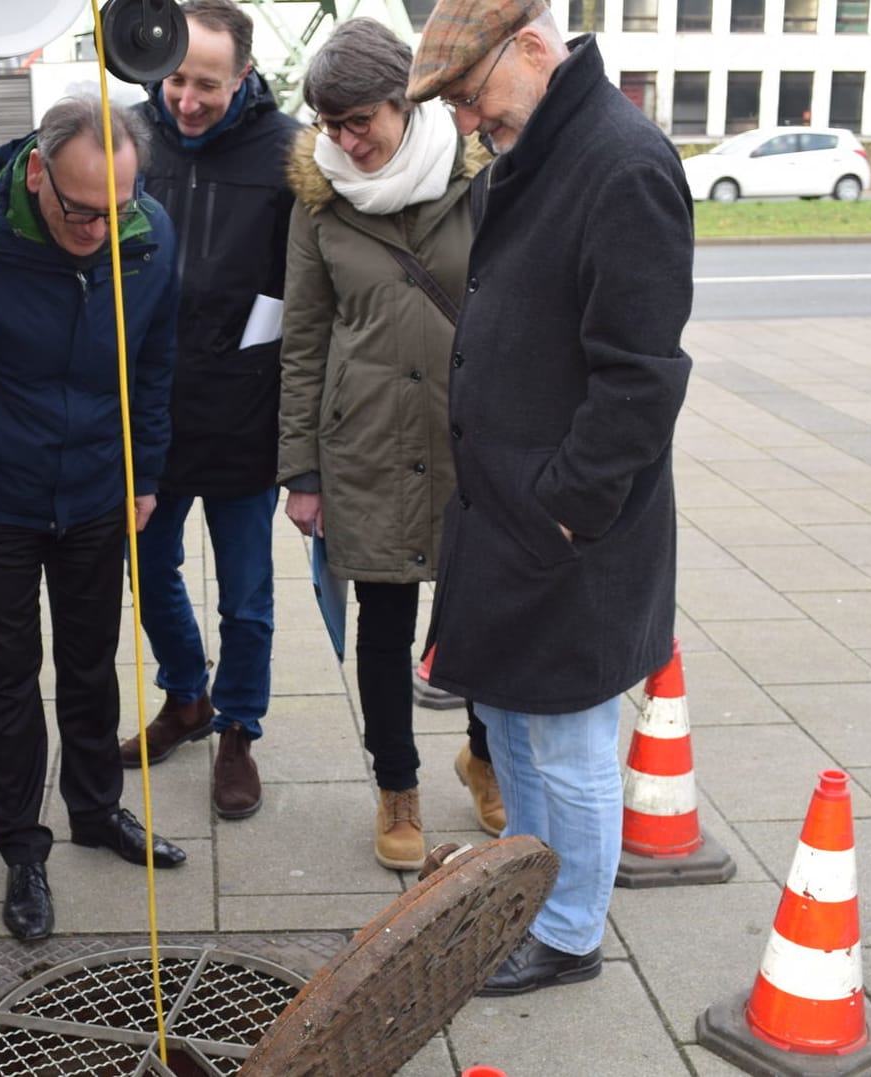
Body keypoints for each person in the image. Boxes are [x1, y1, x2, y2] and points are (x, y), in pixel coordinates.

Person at [409, 0, 693, 994]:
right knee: (511, 719)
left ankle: (567, 933)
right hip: (508, 510)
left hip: (566, 524)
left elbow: (640, 378)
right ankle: (519, 894)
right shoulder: (543, 153)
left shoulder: (620, 162)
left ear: (534, 49)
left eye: (475, 98)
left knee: (567, 741)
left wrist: (565, 506)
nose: (471, 123)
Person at [0, 96, 188, 941]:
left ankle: (96, 809)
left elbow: (155, 366)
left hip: (98, 486)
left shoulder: (149, 232)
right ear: (35, 171)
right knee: (8, 680)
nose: (96, 228)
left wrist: (144, 472)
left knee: (92, 664)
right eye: (79, 210)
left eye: (113, 209)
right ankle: (22, 846)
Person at [276, 18, 496, 871]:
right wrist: (300, 467)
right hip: (361, 440)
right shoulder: (318, 198)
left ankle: (482, 753)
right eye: (329, 126)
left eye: (359, 120)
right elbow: (304, 335)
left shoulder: (479, 176)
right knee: (383, 624)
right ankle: (395, 786)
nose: (344, 141)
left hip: (465, 431)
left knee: (476, 613)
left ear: (405, 102)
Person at [123, 0, 301, 821]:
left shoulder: (288, 151)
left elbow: (307, 290)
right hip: (150, 411)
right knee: (149, 569)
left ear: (245, 77)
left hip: (243, 411)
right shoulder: (128, 133)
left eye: (207, 84)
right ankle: (186, 695)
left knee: (246, 594)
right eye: (174, 80)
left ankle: (237, 728)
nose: (185, 100)